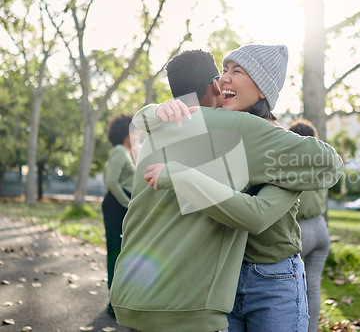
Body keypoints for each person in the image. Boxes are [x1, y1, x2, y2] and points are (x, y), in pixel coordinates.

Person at [110, 48, 343, 332]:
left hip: (272, 276)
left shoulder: (277, 143)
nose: (224, 79)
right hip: (220, 278)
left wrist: (183, 176)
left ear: (262, 89)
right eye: (224, 70)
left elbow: (259, 214)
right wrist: (155, 111)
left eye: (237, 72)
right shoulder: (218, 125)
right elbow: (162, 125)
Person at [289, 119, 331, 332]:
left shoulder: (294, 163)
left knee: (286, 286)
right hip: (321, 228)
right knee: (312, 286)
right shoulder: (323, 162)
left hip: (301, 230)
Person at [102, 114, 135, 317]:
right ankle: (113, 303)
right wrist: (129, 204)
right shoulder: (120, 152)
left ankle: (119, 300)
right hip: (117, 206)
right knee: (116, 250)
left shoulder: (124, 153)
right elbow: (112, 182)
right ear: (126, 133)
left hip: (119, 205)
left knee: (121, 251)